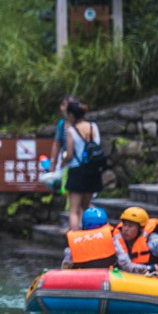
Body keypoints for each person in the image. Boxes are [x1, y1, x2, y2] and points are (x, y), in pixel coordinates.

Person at [63, 98, 102, 231]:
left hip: (77, 171)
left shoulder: (71, 131)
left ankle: (75, 238)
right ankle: (95, 232)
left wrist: (61, 163)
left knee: (74, 210)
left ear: (71, 115)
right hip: (93, 171)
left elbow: (69, 155)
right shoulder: (94, 127)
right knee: (86, 206)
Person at [113, 206, 158, 274]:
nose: (126, 229)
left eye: (130, 226)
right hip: (127, 275)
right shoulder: (117, 239)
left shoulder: (152, 240)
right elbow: (126, 266)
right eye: (125, 225)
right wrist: (149, 268)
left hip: (151, 279)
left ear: (140, 229)